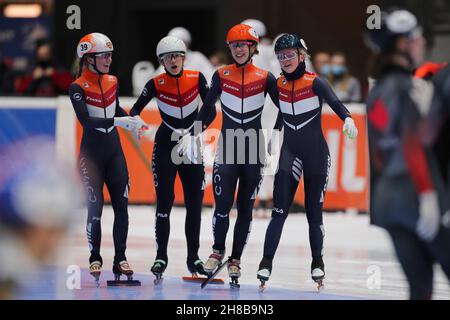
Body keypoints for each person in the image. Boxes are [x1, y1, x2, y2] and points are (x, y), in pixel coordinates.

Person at [178, 23, 279, 285]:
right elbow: (208, 108)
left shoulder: (266, 77)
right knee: (222, 207)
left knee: (245, 209)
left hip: (255, 147)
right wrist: (194, 134)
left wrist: (277, 136)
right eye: (234, 46)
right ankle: (217, 251)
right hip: (229, 146)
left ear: (253, 48)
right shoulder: (221, 75)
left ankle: (235, 259)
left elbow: (286, 107)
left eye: (243, 45)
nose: (238, 50)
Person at [256, 34, 358, 288]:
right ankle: (266, 262)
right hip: (289, 152)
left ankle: (317, 262)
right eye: (281, 56)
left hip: (316, 154)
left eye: (290, 55)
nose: (285, 60)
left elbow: (335, 103)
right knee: (278, 211)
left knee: (314, 214)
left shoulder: (315, 82)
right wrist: (274, 137)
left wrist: (348, 119)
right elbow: (284, 112)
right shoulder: (278, 83)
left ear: (302, 56)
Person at [365, 9, 450, 299]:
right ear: (401, 44)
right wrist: (427, 195)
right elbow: (413, 143)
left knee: (420, 288)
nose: (422, 41)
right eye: (415, 37)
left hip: (386, 199)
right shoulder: (405, 88)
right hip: (415, 192)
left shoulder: (376, 91)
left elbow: (378, 155)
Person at [129, 36, 211, 279]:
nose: (173, 60)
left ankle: (193, 257)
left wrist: (195, 132)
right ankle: (161, 256)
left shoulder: (197, 78)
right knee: (164, 203)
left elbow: (211, 109)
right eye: (167, 57)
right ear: (161, 61)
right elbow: (134, 110)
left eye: (176, 56)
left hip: (191, 143)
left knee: (194, 205)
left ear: (184, 57)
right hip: (165, 142)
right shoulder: (155, 83)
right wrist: (141, 127)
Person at [69, 33, 145, 285]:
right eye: (104, 55)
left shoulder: (112, 80)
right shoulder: (77, 87)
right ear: (88, 58)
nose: (109, 59)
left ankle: (120, 258)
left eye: (110, 55)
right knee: (95, 207)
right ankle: (95, 256)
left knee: (122, 207)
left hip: (114, 154)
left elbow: (114, 109)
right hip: (92, 156)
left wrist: (133, 120)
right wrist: (118, 121)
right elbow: (86, 121)